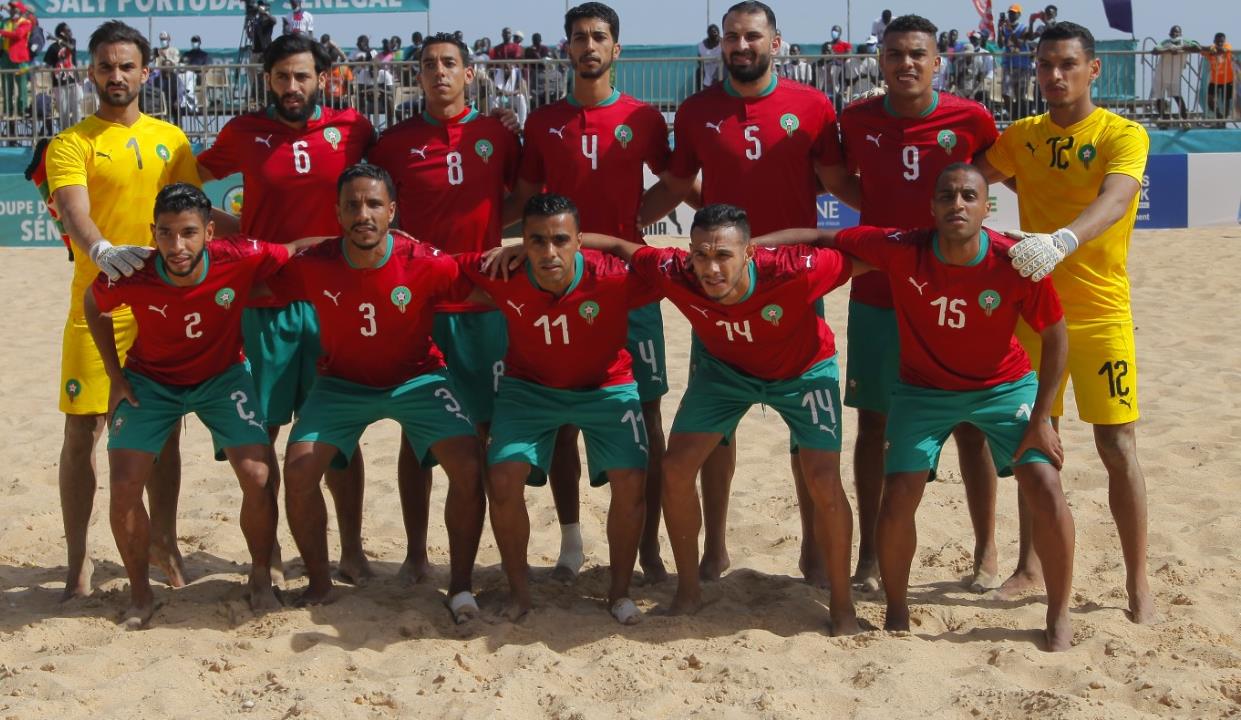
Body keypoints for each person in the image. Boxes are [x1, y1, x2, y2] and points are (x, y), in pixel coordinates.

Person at [763, 163, 1076, 651]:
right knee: (900, 494)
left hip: (1003, 386)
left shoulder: (1014, 260)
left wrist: (1041, 421)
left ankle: (1058, 613)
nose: (957, 204)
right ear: (931, 207)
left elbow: (1056, 338)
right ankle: (897, 610)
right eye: (947, 196)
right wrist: (749, 247)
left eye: (969, 196)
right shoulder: (902, 247)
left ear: (986, 207)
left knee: (1046, 483)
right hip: (922, 390)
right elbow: (823, 237)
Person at [652, 0, 859, 588]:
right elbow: (677, 184)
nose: (741, 46)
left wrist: (906, 220)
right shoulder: (696, 110)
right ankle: (714, 547)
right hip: (718, 285)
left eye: (752, 36)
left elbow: (839, 184)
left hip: (793, 284)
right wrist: (718, 231)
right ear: (719, 43)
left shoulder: (813, 106)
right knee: (715, 428)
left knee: (807, 435)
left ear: (777, 41)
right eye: (731, 37)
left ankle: (814, 552)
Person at [583, 204, 862, 635]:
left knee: (823, 479)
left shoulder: (797, 270)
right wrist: (537, 246)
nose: (710, 268)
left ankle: (843, 608)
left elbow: (861, 253)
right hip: (724, 374)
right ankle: (688, 592)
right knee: (675, 468)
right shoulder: (674, 270)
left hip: (803, 371)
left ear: (749, 254)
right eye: (701, 255)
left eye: (723, 256)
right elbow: (622, 246)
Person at [976, 21, 1155, 624]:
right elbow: (974, 179)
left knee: (1116, 444)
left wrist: (1062, 240)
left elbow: (1117, 198)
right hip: (1034, 314)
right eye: (1045, 65)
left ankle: (1137, 582)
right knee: (1034, 440)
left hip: (1103, 314)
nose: (1054, 76)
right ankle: (1028, 567)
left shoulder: (1122, 133)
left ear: (1092, 69)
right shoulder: (1021, 136)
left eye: (1067, 65)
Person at [820, 14, 1002, 594]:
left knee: (971, 426)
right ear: (881, 61)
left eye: (917, 54)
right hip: (880, 294)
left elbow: (991, 174)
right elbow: (839, 181)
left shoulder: (969, 118)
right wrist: (876, 211)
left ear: (937, 61)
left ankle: (986, 551)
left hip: (956, 294)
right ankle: (871, 555)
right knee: (873, 424)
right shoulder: (856, 119)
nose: (906, 64)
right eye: (895, 54)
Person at [82, 183, 317, 629]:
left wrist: (382, 240)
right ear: (153, 233)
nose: (177, 245)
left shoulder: (239, 254)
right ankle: (139, 595)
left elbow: (294, 249)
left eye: (188, 232)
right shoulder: (134, 270)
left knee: (258, 474)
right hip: (151, 382)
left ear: (209, 232)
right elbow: (94, 304)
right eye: (166, 233)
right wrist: (114, 375)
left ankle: (261, 577)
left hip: (223, 377)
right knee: (124, 487)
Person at [266, 164, 487, 620]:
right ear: (337, 214)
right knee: (300, 470)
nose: (362, 214)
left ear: (392, 211)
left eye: (372, 204)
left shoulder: (424, 261)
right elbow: (253, 280)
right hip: (341, 383)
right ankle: (320, 583)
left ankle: (461, 586)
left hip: (418, 379)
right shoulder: (315, 263)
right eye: (352, 205)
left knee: (468, 463)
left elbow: (483, 283)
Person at [197, 33, 375, 585]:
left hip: (333, 304)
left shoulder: (354, 130)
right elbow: (189, 185)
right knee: (263, 436)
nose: (291, 86)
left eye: (302, 76)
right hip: (265, 305)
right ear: (266, 79)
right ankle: (268, 554)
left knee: (340, 439)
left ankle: (351, 549)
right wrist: (239, 235)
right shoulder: (242, 133)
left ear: (321, 78)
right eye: (281, 76)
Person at [505, 1, 675, 584]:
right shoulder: (543, 122)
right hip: (560, 286)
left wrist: (631, 225)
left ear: (616, 49)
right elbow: (526, 196)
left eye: (598, 36)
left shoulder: (645, 118)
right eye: (578, 37)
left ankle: (646, 544)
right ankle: (572, 538)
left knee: (646, 415)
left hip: (628, 290)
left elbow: (674, 183)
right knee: (563, 417)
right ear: (567, 48)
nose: (588, 45)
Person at [44, 19, 201, 600]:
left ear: (145, 71)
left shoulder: (172, 140)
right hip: (98, 306)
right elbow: (74, 211)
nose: (116, 75)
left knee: (166, 431)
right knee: (81, 430)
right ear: (91, 70)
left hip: (161, 306)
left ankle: (163, 540)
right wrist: (102, 249)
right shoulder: (73, 141)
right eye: (106, 66)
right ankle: (78, 559)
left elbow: (197, 214)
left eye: (126, 66)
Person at [464, 194, 656, 623]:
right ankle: (520, 595)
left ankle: (620, 593)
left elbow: (651, 257)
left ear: (580, 242)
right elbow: (428, 265)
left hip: (606, 387)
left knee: (631, 477)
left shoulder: (613, 276)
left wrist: (603, 244)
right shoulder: (501, 270)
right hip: (529, 389)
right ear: (521, 242)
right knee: (502, 474)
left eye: (560, 240)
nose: (549, 252)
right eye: (536, 241)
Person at [370, 31, 519, 583]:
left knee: (482, 433)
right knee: (418, 436)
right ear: (418, 76)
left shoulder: (496, 134)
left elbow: (522, 196)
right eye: (429, 64)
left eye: (450, 63)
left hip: (483, 305)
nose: (439, 72)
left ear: (469, 73)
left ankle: (479, 555)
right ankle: (415, 553)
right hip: (420, 305)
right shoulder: (392, 143)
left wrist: (493, 242)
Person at [1150, 26, 1196, 121]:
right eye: (1173, 32)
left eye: (1177, 32)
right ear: (1170, 34)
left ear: (1180, 34)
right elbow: (1155, 50)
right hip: (1161, 75)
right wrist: (1169, 50)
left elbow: (1197, 47)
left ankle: (1185, 118)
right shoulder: (1166, 42)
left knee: (1177, 96)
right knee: (1159, 97)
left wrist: (1181, 48)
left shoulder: (1185, 42)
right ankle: (1163, 118)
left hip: (1175, 76)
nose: (1175, 34)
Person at [0, 0, 33, 124]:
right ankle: (8, 111)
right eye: (11, 8)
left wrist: (2, 32)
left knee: (22, 86)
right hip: (5, 57)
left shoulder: (25, 23)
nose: (13, 10)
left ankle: (22, 110)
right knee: (6, 86)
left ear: (20, 10)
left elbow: (18, 35)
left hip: (20, 59)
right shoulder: (5, 22)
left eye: (15, 9)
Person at [43, 22, 78, 132]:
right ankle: (65, 132)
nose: (70, 32)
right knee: (63, 111)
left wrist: (58, 40)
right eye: (68, 30)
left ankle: (77, 131)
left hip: (73, 81)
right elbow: (48, 64)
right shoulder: (53, 48)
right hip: (59, 83)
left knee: (77, 107)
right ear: (62, 33)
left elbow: (71, 48)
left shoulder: (72, 42)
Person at [1203, 33, 1235, 124]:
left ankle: (1223, 121)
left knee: (1227, 102)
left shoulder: (1227, 46)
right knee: (1210, 100)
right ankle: (1218, 115)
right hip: (1215, 81)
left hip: (1228, 80)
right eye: (1218, 41)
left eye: (1222, 41)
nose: (1220, 43)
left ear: (1224, 41)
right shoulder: (1211, 49)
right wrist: (1209, 48)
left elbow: (1224, 50)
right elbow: (1200, 50)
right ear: (1214, 41)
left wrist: (1215, 49)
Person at [154, 32, 181, 121]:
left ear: (169, 39)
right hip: (161, 76)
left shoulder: (174, 50)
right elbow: (156, 65)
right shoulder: (157, 51)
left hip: (173, 74)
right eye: (161, 39)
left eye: (165, 39)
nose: (163, 41)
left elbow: (175, 63)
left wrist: (165, 57)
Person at [524, 32, 555, 107]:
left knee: (543, 93)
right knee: (533, 94)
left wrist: (535, 52)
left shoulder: (545, 49)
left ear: (540, 40)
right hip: (533, 73)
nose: (535, 41)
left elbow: (543, 63)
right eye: (533, 40)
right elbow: (525, 62)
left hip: (543, 72)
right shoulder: (529, 49)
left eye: (536, 40)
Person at [247, 0, 276, 64]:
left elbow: (274, 21)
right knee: (251, 69)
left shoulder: (268, 20)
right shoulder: (255, 21)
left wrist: (265, 12)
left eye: (262, 5)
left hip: (265, 50)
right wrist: (248, 28)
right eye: (259, 5)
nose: (260, 7)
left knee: (265, 69)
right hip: (255, 51)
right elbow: (250, 35)